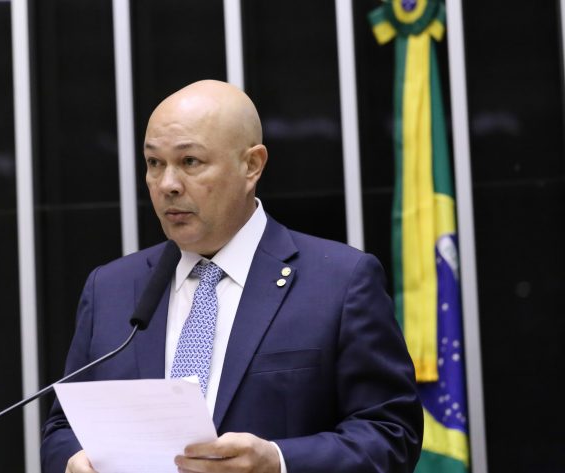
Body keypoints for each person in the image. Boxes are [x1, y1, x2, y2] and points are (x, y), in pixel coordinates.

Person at [41, 80, 423, 473]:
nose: (167, 184)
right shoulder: (111, 288)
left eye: (190, 161)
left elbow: (391, 434)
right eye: (154, 163)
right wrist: (74, 460)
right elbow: (62, 428)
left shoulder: (340, 282)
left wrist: (278, 461)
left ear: (251, 165)